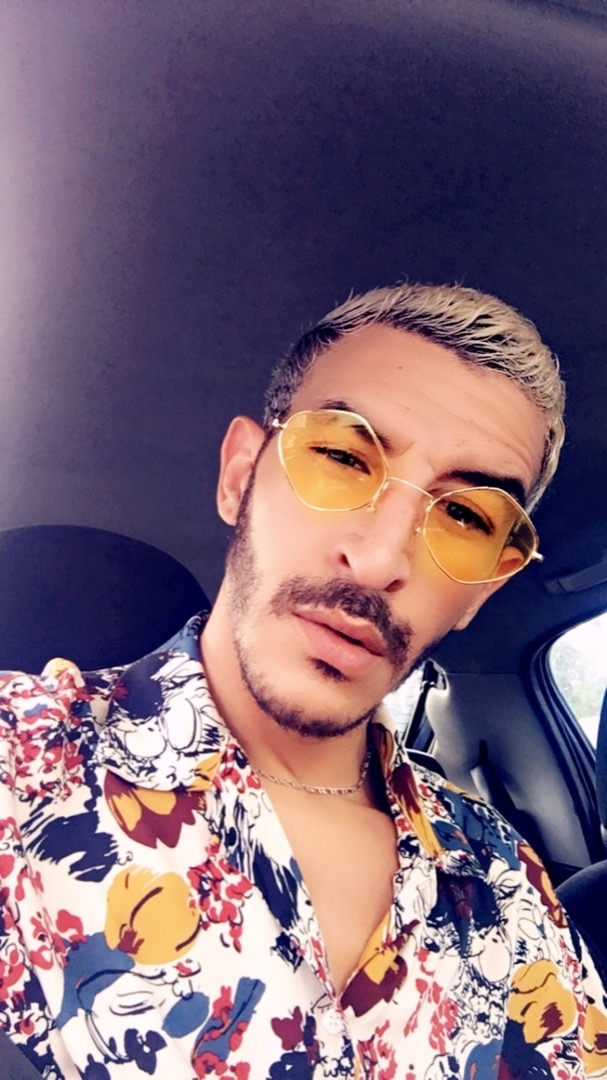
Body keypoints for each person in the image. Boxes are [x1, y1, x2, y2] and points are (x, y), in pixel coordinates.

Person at [0, 281, 605, 1080]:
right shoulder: (25, 761)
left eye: (464, 516)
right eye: (342, 457)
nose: (380, 560)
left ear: (481, 592)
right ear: (239, 476)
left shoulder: (505, 876)